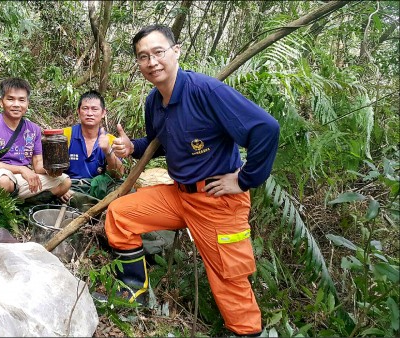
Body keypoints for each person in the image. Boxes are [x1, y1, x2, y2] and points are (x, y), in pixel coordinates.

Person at [104, 25, 280, 336]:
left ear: (176, 51)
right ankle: (134, 290)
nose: (152, 62)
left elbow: (265, 128)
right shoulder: (153, 102)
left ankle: (245, 331)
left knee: (229, 276)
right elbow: (159, 142)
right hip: (179, 196)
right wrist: (133, 147)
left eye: (158, 52)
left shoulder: (205, 91)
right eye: (143, 57)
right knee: (120, 214)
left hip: (217, 201)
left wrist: (244, 179)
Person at [0, 77, 71, 201]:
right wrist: (22, 169)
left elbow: (38, 165)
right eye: (10, 99)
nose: (16, 104)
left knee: (65, 182)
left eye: (22, 100)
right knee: (4, 182)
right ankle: (14, 205)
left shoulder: (34, 129)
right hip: (1, 175)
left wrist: (52, 168)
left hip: (25, 178)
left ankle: (28, 203)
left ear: (27, 104)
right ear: (1, 102)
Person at [59, 90, 124, 204]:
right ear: (78, 111)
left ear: (103, 113)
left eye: (94, 109)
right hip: (70, 187)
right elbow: (50, 170)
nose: (90, 113)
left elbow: (118, 175)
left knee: (123, 190)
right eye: (85, 108)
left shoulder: (110, 140)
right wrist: (60, 188)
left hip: (98, 188)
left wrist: (108, 151)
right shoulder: (65, 135)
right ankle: (93, 207)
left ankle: (90, 205)